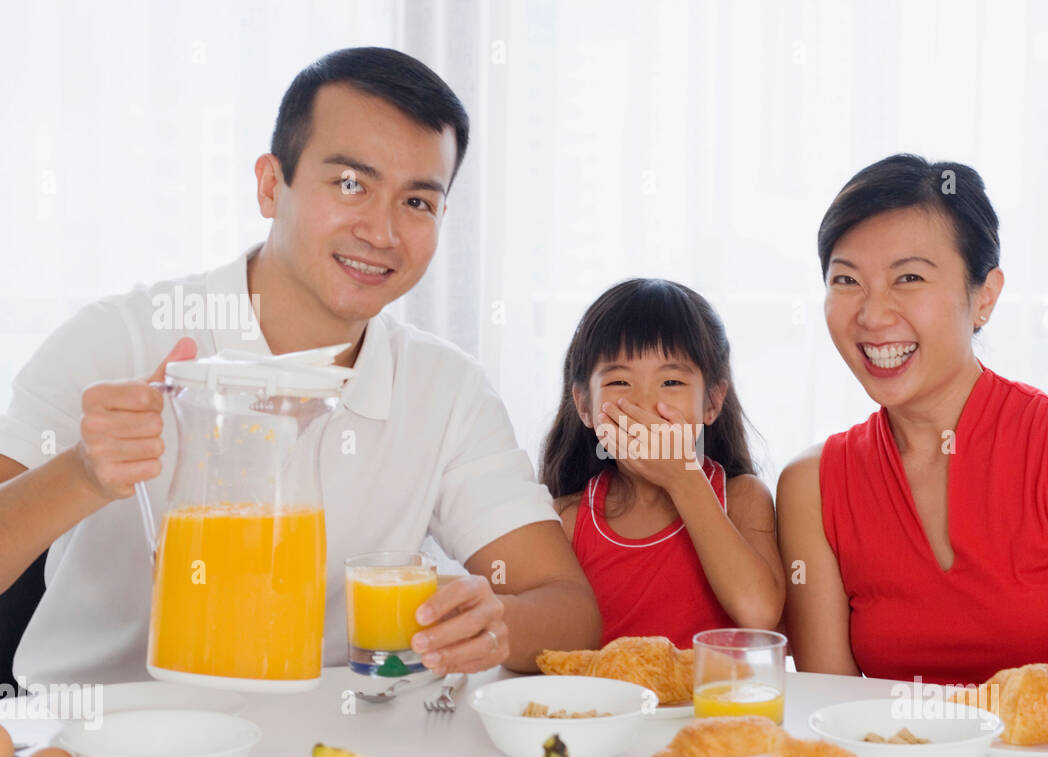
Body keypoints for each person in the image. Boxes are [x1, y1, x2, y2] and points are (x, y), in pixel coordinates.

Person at [0, 47, 600, 686]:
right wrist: (85, 474)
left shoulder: (445, 389)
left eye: (418, 202)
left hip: (323, 747)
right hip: (101, 747)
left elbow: (567, 609)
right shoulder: (119, 340)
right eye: (350, 184)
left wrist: (500, 622)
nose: (381, 231)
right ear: (269, 184)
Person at [777, 154, 1048, 693]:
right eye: (846, 279)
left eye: (908, 277)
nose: (873, 314)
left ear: (985, 297)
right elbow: (832, 713)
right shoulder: (810, 484)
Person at [541, 279, 784, 649]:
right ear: (585, 406)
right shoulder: (568, 520)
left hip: (714, 706)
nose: (644, 403)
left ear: (712, 402)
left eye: (670, 381)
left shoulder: (742, 499)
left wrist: (683, 479)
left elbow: (759, 614)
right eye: (620, 381)